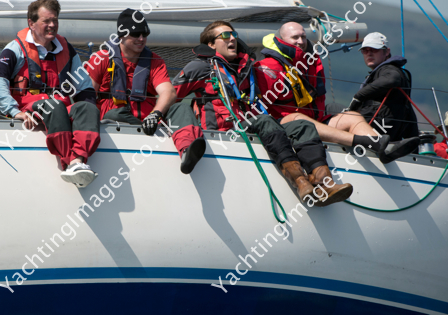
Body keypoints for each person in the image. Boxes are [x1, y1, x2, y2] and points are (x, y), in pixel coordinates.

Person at [173, 21, 352, 206]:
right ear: (211, 44)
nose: (232, 38)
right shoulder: (200, 67)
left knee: (303, 126)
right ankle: (301, 182)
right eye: (225, 35)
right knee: (265, 121)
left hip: (251, 124)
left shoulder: (247, 67)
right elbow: (171, 96)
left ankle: (324, 183)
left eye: (234, 34)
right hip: (224, 132)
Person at [256, 22, 419, 164]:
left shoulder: (310, 62)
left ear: (386, 51)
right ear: (282, 39)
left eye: (303, 37)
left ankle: (384, 148)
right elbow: (257, 106)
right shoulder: (267, 67)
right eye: (295, 37)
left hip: (314, 121)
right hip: (286, 125)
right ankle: (369, 143)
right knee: (300, 119)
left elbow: (406, 106)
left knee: (352, 117)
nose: (300, 41)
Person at [0, 0, 100, 188]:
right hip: (29, 108)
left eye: (55, 20)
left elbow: (85, 87)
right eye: (46, 21)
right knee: (55, 106)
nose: (52, 25)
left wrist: (88, 114)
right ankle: (69, 162)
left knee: (88, 109)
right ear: (31, 23)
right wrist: (14, 112)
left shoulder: (67, 50)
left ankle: (78, 161)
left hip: (58, 108)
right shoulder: (16, 48)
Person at [88, 8, 206, 174]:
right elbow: (86, 97)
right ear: (121, 35)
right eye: (136, 34)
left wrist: (155, 114)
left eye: (145, 34)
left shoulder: (155, 61)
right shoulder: (100, 58)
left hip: (150, 125)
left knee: (181, 108)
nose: (142, 39)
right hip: (113, 126)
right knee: (115, 114)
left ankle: (187, 151)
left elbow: (169, 92)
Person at [347, 32, 419, 141]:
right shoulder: (384, 71)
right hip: (383, 132)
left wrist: (358, 97)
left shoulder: (389, 69)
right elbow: (407, 108)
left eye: (374, 49)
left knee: (331, 112)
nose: (369, 53)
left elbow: (392, 78)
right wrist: (414, 139)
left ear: (387, 52)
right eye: (365, 50)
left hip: (377, 132)